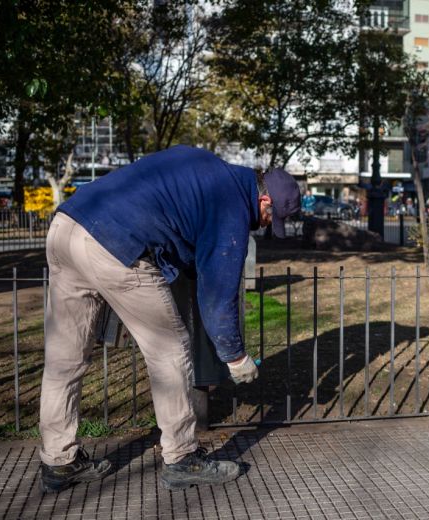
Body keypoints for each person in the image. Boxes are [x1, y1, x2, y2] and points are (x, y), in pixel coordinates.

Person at [38, 145, 301, 493]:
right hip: (115, 243)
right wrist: (235, 357)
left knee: (65, 359)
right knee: (171, 351)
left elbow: (171, 224)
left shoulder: (202, 164)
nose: (266, 227)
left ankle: (59, 461)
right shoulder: (232, 205)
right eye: (272, 220)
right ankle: (181, 458)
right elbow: (219, 295)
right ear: (264, 202)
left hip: (67, 225)